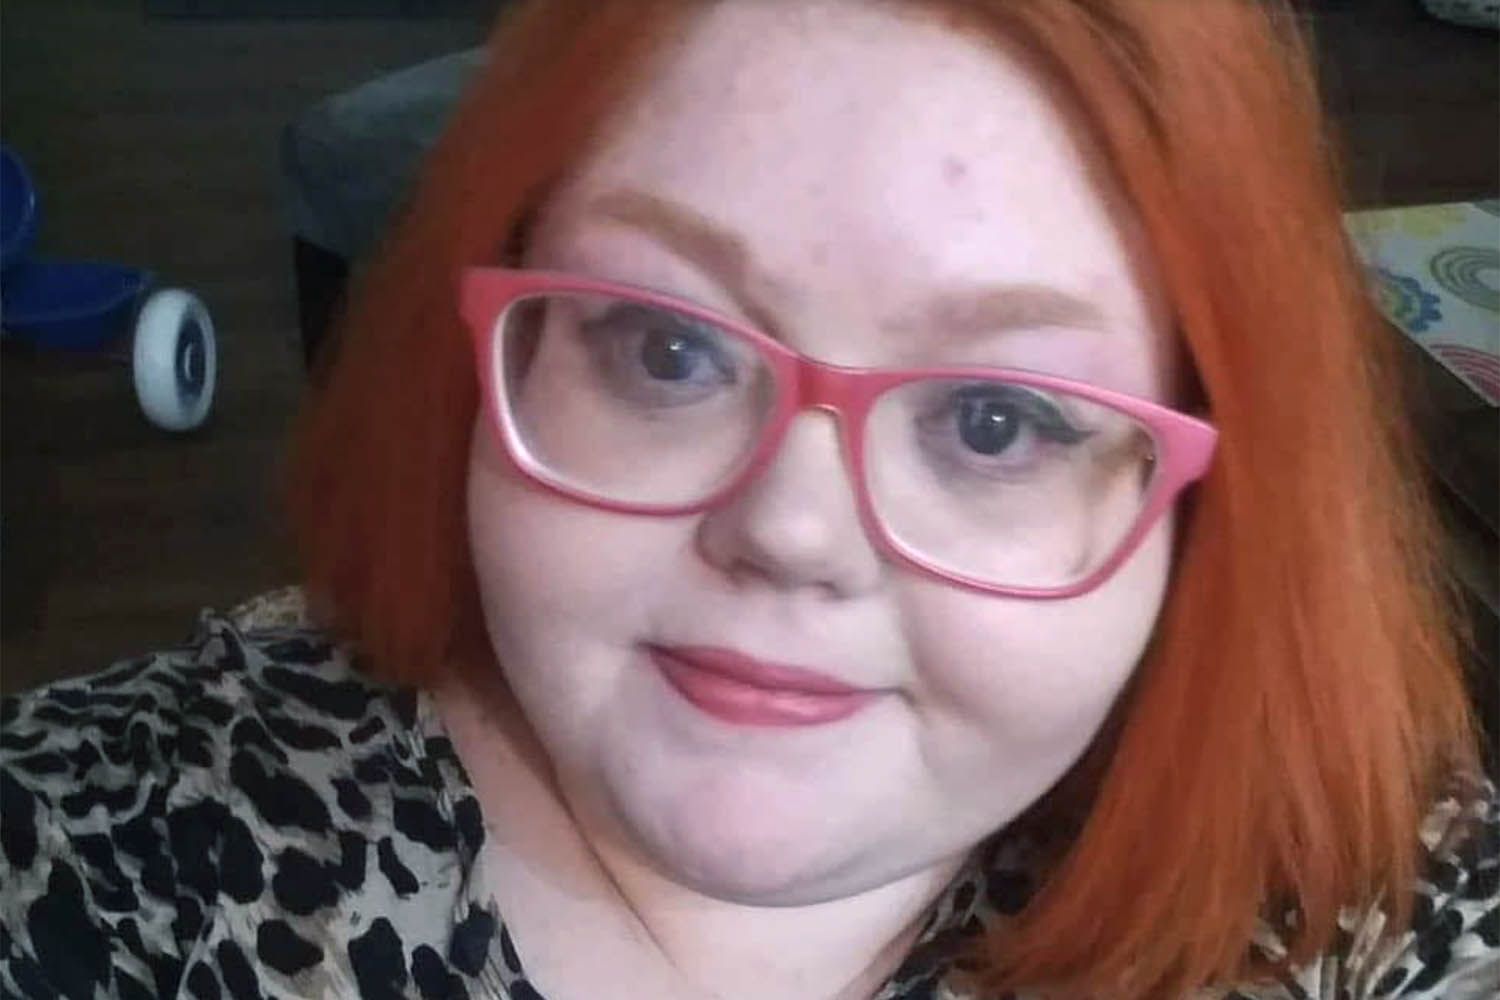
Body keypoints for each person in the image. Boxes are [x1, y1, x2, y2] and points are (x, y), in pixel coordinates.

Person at [2, 1, 1495, 997]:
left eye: (995, 421)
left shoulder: (1370, 898)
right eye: (668, 349)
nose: (789, 530)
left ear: (1209, 495)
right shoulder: (93, 859)